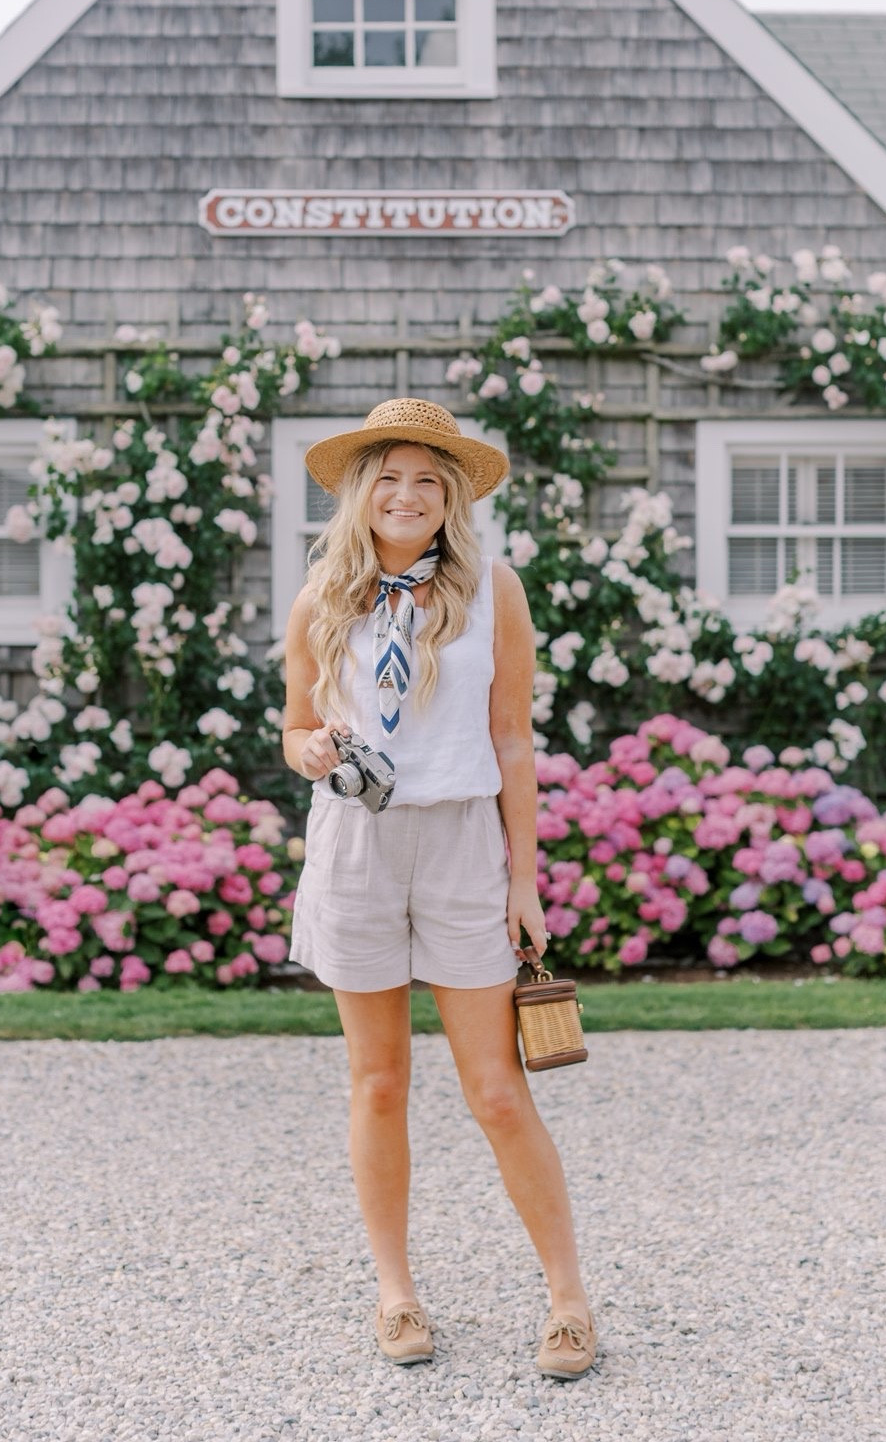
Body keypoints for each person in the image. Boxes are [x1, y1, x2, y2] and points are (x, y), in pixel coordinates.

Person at [282, 397, 597, 1379]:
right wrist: (312, 750)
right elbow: (294, 728)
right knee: (377, 1082)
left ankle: (569, 1300)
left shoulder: (493, 590)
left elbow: (513, 741)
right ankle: (396, 1294)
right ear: (360, 490)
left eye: (428, 479)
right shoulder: (321, 596)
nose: (407, 494)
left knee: (498, 1090)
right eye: (389, 476)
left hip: (462, 844)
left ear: (451, 495)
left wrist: (524, 878)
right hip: (357, 844)